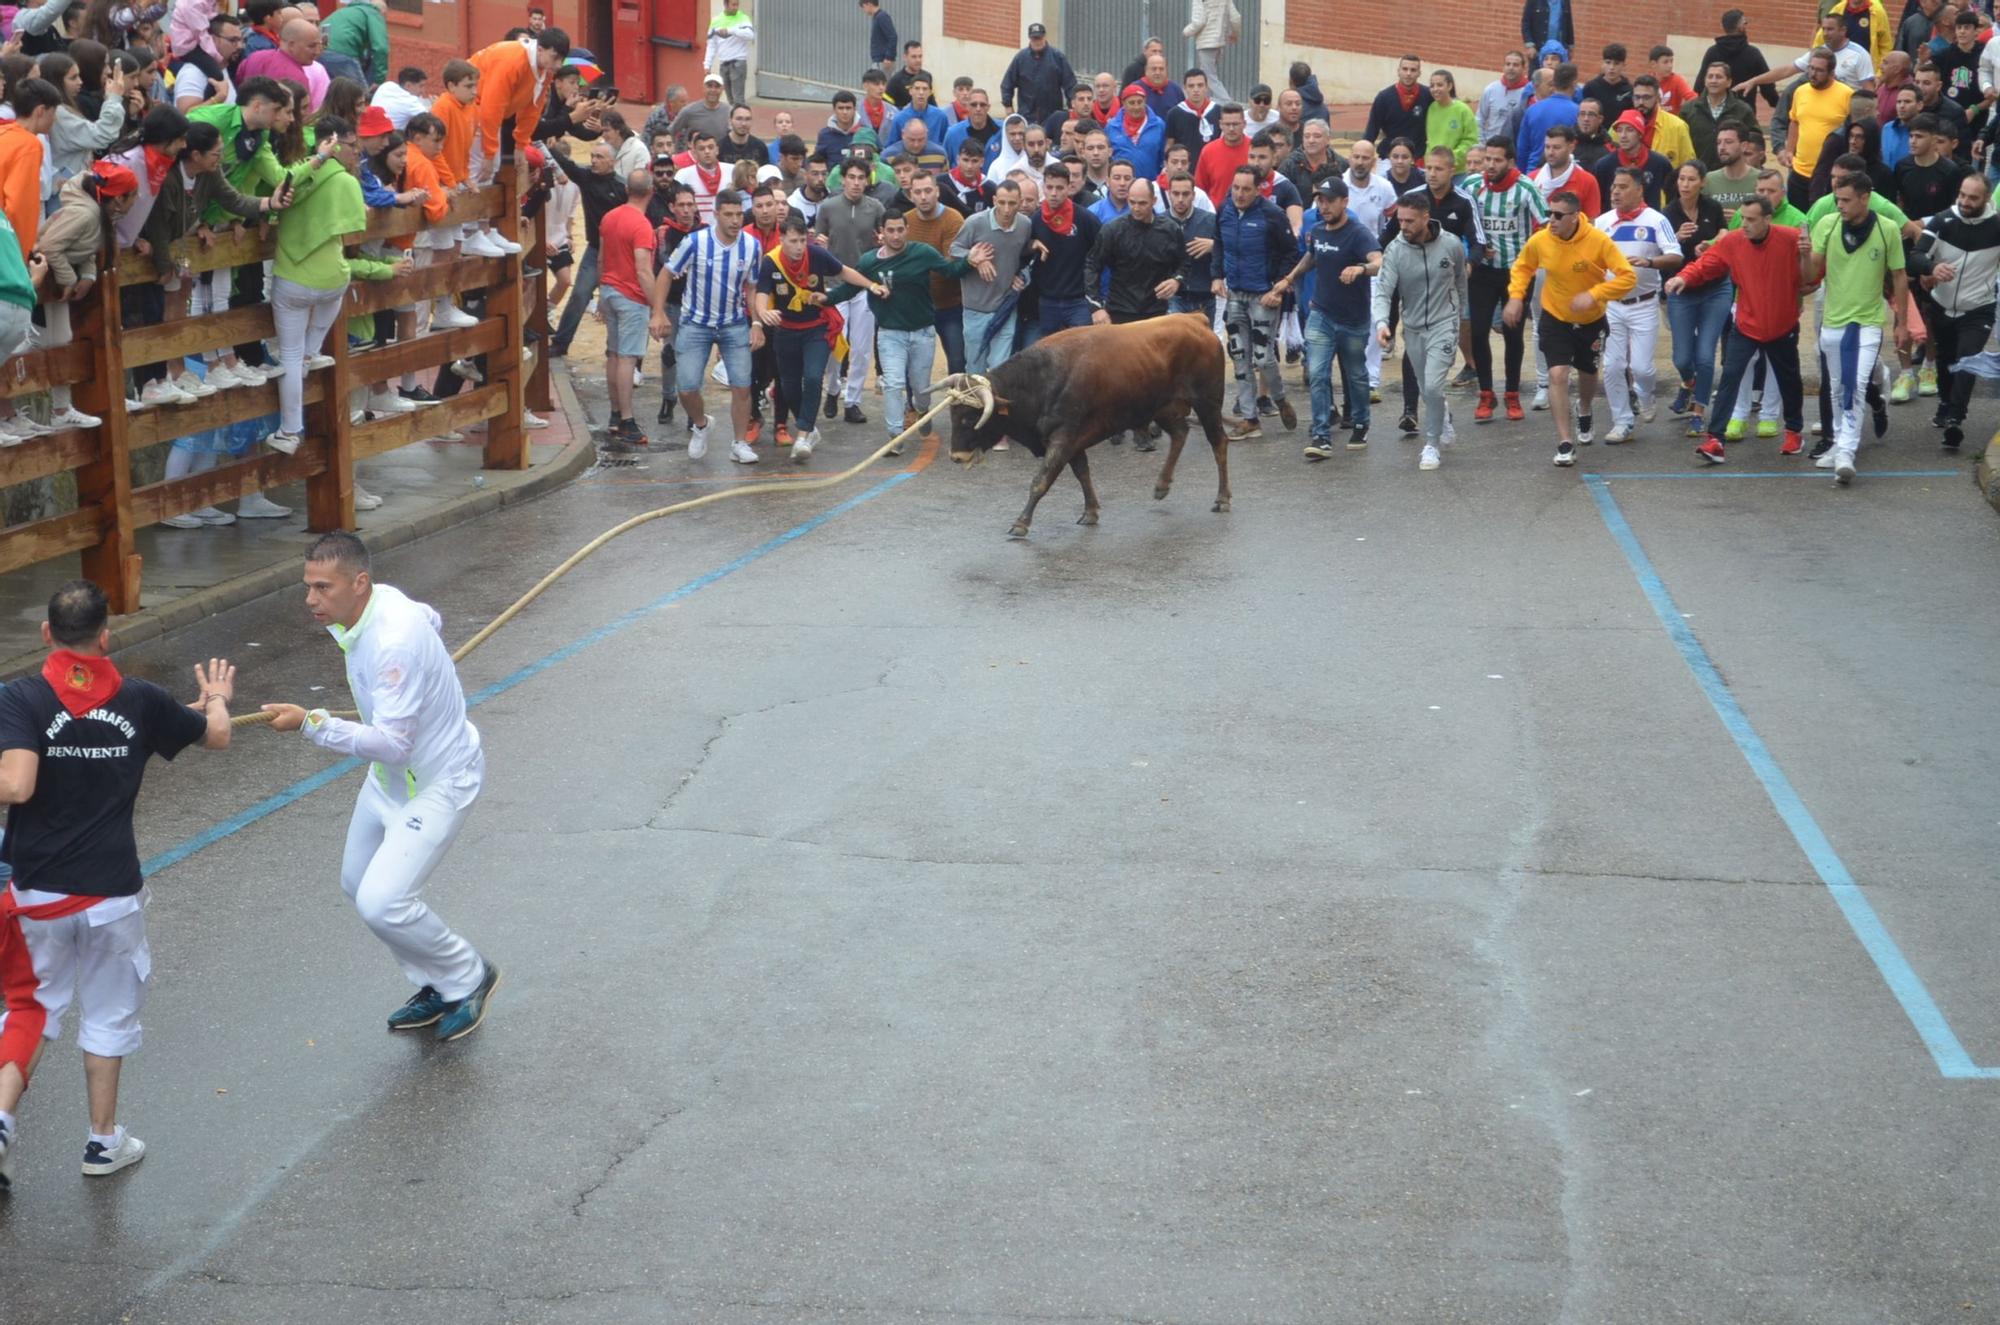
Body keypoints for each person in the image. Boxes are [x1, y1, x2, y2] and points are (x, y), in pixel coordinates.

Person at [0, 582, 228, 1192]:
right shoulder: (142, 700)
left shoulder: (20, 698)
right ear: (106, 636)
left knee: (33, 1007)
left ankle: (0, 1120)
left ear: (46, 634)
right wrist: (215, 698)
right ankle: (103, 1143)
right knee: (106, 1015)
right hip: (111, 894)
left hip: (39, 895)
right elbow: (216, 736)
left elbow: (16, 787)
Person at [260, 532, 503, 1044]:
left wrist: (312, 724)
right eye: (308, 587)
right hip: (391, 781)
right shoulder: (376, 604)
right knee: (358, 882)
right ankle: (436, 981)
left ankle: (468, 974)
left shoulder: (391, 640)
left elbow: (393, 743)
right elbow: (431, 618)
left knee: (382, 901)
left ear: (359, 583)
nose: (311, 600)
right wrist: (426, 654)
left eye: (322, 588)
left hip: (438, 782)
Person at [262, 117, 409, 458]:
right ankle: (313, 363)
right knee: (306, 353)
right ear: (335, 144)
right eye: (353, 146)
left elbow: (278, 195)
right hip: (334, 279)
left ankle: (290, 430)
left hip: (293, 276)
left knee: (291, 358)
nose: (358, 153)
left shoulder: (299, 171)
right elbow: (354, 229)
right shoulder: (346, 181)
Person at [826, 208, 988, 453]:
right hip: (890, 334)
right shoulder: (870, 261)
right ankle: (895, 435)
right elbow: (850, 289)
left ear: (907, 230)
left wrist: (969, 261)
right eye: (890, 230)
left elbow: (949, 271)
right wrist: (824, 299)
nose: (895, 235)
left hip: (922, 332)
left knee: (921, 387)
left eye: (900, 230)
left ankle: (921, 409)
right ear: (880, 233)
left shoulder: (923, 253)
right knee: (893, 383)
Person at [1669, 194, 1808, 464]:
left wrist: (1808, 275)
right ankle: (1716, 440)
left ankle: (1794, 431)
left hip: (1782, 324)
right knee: (1730, 378)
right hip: (1747, 323)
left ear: (1767, 219)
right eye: (1742, 218)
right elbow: (1708, 263)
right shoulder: (1733, 240)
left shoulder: (1790, 238)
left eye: (1751, 220)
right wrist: (1683, 276)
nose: (1744, 224)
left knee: (1789, 380)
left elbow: (1814, 270)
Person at [1505, 188, 1637, 464]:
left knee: (1588, 373)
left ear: (1575, 217)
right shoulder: (1541, 240)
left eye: (1557, 215)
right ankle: (1565, 442)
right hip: (1555, 316)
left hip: (1591, 319)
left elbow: (1627, 278)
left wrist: (1595, 294)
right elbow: (1522, 266)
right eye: (1548, 213)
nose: (1550, 220)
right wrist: (1516, 297)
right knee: (1558, 374)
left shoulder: (1598, 241)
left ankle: (1585, 408)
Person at [754, 216, 881, 460]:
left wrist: (871, 285)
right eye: (793, 241)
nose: (799, 246)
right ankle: (809, 428)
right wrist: (763, 312)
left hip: (816, 328)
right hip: (786, 331)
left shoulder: (816, 255)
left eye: (803, 240)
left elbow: (845, 272)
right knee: (789, 387)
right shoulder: (771, 262)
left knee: (812, 377)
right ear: (781, 240)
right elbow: (761, 292)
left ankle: (803, 435)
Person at [1806, 175, 1906, 483]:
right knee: (1837, 386)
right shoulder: (1828, 225)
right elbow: (1811, 274)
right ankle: (1839, 442)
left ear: (1865, 197)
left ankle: (1847, 452)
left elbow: (1900, 276)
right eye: (1838, 199)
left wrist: (1901, 322)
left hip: (1867, 322)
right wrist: (1804, 253)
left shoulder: (1886, 229)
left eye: (1846, 200)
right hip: (1833, 321)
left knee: (1855, 385)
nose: (1840, 205)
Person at [655, 188, 765, 462]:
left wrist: (757, 323)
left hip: (733, 323)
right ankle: (701, 424)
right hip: (696, 323)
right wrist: (658, 312)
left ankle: (739, 443)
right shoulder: (695, 242)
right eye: (728, 215)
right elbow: (667, 273)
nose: (735, 221)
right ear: (715, 215)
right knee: (687, 386)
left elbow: (752, 288)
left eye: (739, 214)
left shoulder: (752, 246)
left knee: (742, 385)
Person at [1371, 191, 1466, 471]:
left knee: (1435, 385)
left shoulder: (1451, 245)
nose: (1404, 226)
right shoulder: (1395, 250)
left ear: (1426, 218)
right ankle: (1442, 414)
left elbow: (1460, 280)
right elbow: (1383, 292)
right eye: (1400, 220)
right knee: (1427, 390)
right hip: (1412, 327)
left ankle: (1431, 444)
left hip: (1444, 322)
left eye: (1410, 221)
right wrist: (1381, 323)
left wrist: (1460, 315)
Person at [1287, 177, 1382, 457]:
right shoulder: (1316, 231)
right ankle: (1321, 436)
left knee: (1356, 375)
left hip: (1353, 319)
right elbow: (1311, 257)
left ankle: (1361, 424)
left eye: (1329, 200)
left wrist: (1361, 269)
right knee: (1317, 373)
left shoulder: (1358, 233)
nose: (1324, 206)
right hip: (1321, 314)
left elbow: (1379, 261)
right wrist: (1289, 279)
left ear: (1344, 202)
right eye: (1320, 200)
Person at [1593, 166, 1684, 443]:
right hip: (1611, 305)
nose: (1616, 192)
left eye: (1622, 187)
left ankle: (1645, 393)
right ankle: (1622, 421)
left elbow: (1675, 255)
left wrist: (1650, 262)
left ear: (1639, 189)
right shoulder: (1602, 222)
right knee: (1611, 366)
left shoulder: (1656, 220)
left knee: (1642, 368)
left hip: (1643, 304)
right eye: (1613, 188)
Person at [1911, 172, 2000, 449]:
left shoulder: (1997, 226)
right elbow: (1914, 257)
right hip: (1941, 305)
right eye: (1962, 195)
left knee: (1968, 360)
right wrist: (1931, 267)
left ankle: (1955, 420)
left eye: (1973, 198)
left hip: (1978, 308)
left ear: (1986, 199)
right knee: (1947, 360)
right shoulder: (1942, 221)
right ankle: (1945, 403)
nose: (1965, 201)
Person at [1214, 164, 1297, 437]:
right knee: (1239, 356)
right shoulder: (1224, 211)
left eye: (1246, 189)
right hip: (1235, 294)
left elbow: (1291, 254)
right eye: (1235, 187)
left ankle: (1280, 398)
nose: (1239, 194)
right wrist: (1216, 276)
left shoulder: (1272, 215)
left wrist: (1278, 288)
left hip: (1263, 296)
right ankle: (1250, 419)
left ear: (1258, 189)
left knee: (1263, 359)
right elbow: (1219, 245)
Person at [1468, 136, 1547, 422]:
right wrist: (1473, 249)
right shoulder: (1471, 186)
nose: (1490, 165)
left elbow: (1547, 224)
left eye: (1497, 160)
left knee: (1513, 331)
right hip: (1482, 272)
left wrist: (1532, 256)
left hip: (1516, 272)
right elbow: (1461, 223)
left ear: (1510, 162)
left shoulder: (1526, 188)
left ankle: (1512, 394)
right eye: (1487, 159)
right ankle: (1486, 393)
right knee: (1477, 331)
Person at [589, 170, 661, 451]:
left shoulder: (610, 217)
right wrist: (657, 308)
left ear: (627, 189)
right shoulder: (641, 225)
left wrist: (601, 293)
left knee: (614, 355)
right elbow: (643, 269)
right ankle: (627, 420)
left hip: (609, 289)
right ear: (650, 192)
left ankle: (616, 413)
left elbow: (601, 258)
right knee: (627, 358)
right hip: (631, 296)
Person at [813, 159, 887, 424]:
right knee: (836, 344)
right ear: (843, 179)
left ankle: (853, 400)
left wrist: (882, 242)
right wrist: (819, 241)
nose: (856, 182)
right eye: (852, 177)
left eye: (861, 178)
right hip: (835, 285)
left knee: (862, 347)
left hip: (865, 285)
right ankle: (832, 389)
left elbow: (883, 241)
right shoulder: (828, 207)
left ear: (867, 181)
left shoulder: (876, 207)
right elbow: (818, 240)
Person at [1661, 160, 1731, 432]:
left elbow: (1724, 233)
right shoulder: (1668, 213)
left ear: (1702, 182)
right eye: (1681, 179)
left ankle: (1699, 411)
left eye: (1691, 179)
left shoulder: (1711, 207)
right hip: (1682, 289)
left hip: (1715, 287)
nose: (1685, 185)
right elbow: (1661, 249)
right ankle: (1687, 382)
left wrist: (1711, 243)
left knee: (1704, 354)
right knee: (1681, 358)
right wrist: (1676, 238)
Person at [548, 137, 630, 357]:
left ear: (612, 162)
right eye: (592, 156)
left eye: (599, 157)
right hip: (595, 251)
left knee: (621, 302)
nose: (593, 161)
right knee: (580, 294)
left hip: (621, 253)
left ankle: (618, 349)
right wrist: (549, 145)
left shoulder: (623, 188)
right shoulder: (586, 178)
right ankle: (561, 343)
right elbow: (566, 165)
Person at [954, 176, 1036, 381]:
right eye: (1002, 202)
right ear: (993, 200)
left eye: (1012, 203)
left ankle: (996, 410)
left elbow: (1021, 253)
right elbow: (954, 249)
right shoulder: (975, 222)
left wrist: (1022, 273)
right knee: (975, 366)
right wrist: (975, 259)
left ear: (1020, 203)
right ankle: (975, 409)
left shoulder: (1024, 225)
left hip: (1005, 305)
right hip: (976, 307)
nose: (1007, 209)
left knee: (1000, 366)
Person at [1028, 160, 1104, 336]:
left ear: (1069, 187)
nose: (1054, 193)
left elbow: (1101, 254)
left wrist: (1096, 298)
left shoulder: (1085, 219)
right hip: (1047, 301)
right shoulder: (1036, 219)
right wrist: (1029, 246)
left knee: (1082, 353)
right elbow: (1023, 255)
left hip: (1079, 301)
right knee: (1049, 356)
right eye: (1050, 187)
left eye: (1060, 188)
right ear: (1043, 187)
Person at [1684, 60, 1758, 169]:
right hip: (1697, 173)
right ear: (1705, 81)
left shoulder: (1743, 110)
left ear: (1729, 82)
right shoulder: (1689, 109)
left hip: (1731, 172)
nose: (1713, 81)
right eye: (1710, 77)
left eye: (1718, 77)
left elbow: (1754, 139)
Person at [1594, 109, 1674, 208]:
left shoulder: (1660, 163)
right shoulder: (1604, 165)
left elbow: (1673, 197)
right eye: (1619, 130)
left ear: (1640, 134)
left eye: (1629, 130)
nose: (1623, 135)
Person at [1001, 22, 1075, 126]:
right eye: (1034, 39)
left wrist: (1072, 106)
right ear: (1030, 39)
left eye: (1039, 38)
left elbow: (1070, 84)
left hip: (1052, 116)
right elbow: (1007, 84)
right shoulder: (1020, 58)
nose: (1037, 41)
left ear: (1044, 37)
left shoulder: (1058, 57)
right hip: (1027, 116)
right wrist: (1008, 106)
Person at [1702, 8, 1778, 108]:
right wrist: (1778, 105)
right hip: (1744, 116)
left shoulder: (1712, 52)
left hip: (1715, 113)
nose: (1746, 25)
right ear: (1740, 27)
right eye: (1745, 22)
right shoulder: (1753, 53)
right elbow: (1767, 86)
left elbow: (1700, 85)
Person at [1517, 60, 1580, 170]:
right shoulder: (1578, 112)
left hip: (1533, 172)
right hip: (1563, 173)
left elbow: (1522, 149)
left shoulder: (1532, 110)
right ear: (1574, 83)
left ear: (1554, 83)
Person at [1364, 56, 1430, 155]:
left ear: (1419, 73)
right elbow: (1372, 129)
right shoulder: (1383, 97)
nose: (1408, 73)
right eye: (1405, 69)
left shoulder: (1428, 95)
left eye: (1413, 70)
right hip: (1388, 156)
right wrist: (1364, 152)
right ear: (1398, 71)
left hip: (1418, 156)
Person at [1630, 74, 1697, 167]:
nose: (1641, 102)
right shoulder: (1623, 124)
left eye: (1646, 97)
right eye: (1637, 97)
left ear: (1658, 98)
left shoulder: (1677, 127)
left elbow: (1690, 166)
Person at [1107, 82, 1167, 182]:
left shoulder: (1158, 125)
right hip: (1121, 185)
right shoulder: (1112, 127)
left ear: (1145, 101)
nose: (1136, 107)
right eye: (1132, 103)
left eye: (1140, 102)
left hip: (1151, 185)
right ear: (1123, 103)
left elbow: (1163, 157)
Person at [1193, 102, 1250, 205]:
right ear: (1220, 124)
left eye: (1235, 124)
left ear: (1244, 124)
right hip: (1217, 214)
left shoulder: (1254, 149)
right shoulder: (1208, 151)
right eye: (1227, 124)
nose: (1231, 128)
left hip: (1249, 213)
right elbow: (1199, 190)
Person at [1184, 0, 1241, 102]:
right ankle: (1206, 103)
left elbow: (1199, 21)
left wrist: (1186, 32)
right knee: (1207, 77)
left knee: (1209, 77)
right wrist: (1235, 33)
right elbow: (1236, 18)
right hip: (1219, 43)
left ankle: (1228, 103)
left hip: (1206, 42)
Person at [1426, 71, 1479, 174]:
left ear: (1449, 86)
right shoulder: (1431, 108)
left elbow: (1470, 140)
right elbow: (1430, 140)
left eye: (1440, 85)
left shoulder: (1463, 110)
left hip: (1457, 171)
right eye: (1432, 86)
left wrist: (1450, 158)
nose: (1435, 89)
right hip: (1434, 170)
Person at [703, 0, 754, 107]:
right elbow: (711, 44)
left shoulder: (743, 18)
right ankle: (734, 120)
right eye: (733, 5)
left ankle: (739, 121)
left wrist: (731, 31)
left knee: (738, 99)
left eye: (737, 4)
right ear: (725, 5)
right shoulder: (716, 20)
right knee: (730, 98)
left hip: (738, 63)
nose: (736, 7)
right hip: (724, 64)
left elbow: (750, 35)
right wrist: (707, 64)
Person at [670, 73, 732, 152]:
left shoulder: (729, 111)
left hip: (722, 158)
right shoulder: (689, 111)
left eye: (717, 87)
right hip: (695, 160)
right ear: (703, 88)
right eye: (709, 86)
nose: (713, 90)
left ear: (722, 89)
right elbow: (671, 132)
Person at [1481, 52, 1533, 144]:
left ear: (1524, 69)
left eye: (1515, 65)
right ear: (1503, 67)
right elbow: (1480, 119)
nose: (1511, 68)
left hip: (1516, 147)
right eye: (1508, 64)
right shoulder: (1491, 89)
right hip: (1491, 146)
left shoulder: (1529, 92)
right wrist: (1481, 143)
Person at [1583, 43, 1636, 120]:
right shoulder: (1591, 87)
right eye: (1608, 62)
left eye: (1616, 64)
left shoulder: (1630, 91)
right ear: (1603, 63)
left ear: (1624, 65)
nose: (1612, 67)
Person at [860, 0, 896, 75]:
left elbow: (892, 36)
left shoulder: (882, 17)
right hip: (879, 60)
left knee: (880, 84)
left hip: (883, 61)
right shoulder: (877, 17)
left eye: (863, 7)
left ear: (869, 4)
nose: (864, 11)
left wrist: (889, 57)